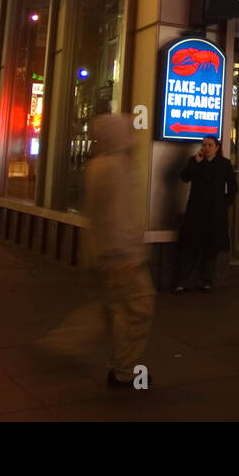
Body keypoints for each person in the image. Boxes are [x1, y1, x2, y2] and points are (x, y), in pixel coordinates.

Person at [84, 113, 155, 389]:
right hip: (124, 258)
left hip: (109, 255)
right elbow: (117, 215)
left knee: (118, 311)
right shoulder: (115, 167)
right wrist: (127, 251)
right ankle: (124, 370)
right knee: (138, 312)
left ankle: (120, 366)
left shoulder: (97, 166)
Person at [173, 136, 237, 293]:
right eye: (204, 145)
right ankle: (183, 281)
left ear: (217, 147)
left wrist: (225, 203)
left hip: (215, 211)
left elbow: (233, 186)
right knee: (190, 247)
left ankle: (206, 281)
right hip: (196, 210)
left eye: (210, 145)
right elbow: (184, 177)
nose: (206, 148)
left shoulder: (224, 164)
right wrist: (196, 162)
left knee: (211, 248)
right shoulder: (195, 161)